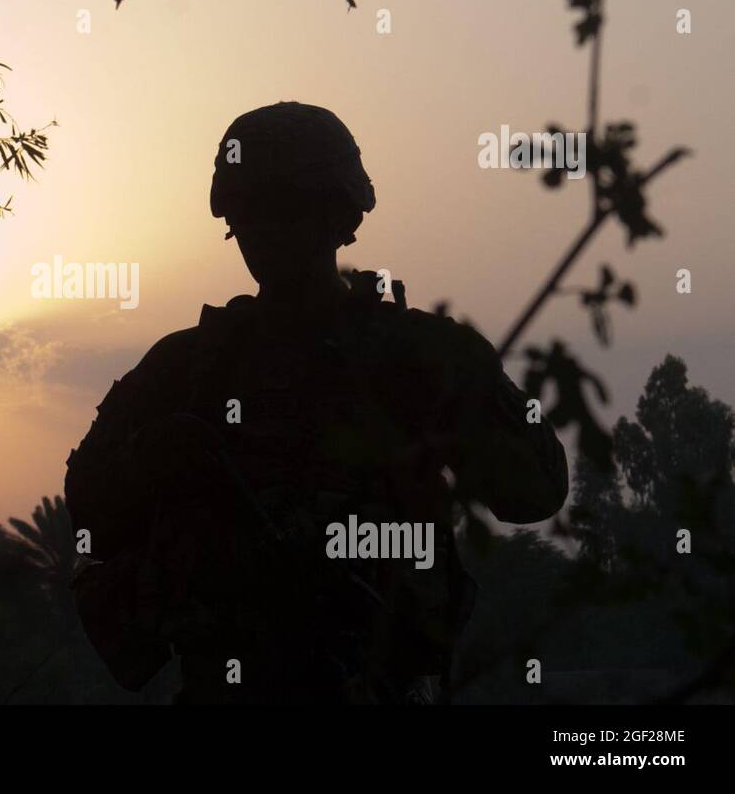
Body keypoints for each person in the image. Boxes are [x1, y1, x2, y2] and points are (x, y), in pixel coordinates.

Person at [64, 102, 568, 703]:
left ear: (340, 218)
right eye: (251, 212)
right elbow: (87, 511)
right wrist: (159, 456)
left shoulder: (417, 353)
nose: (267, 231)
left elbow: (535, 491)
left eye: (288, 209)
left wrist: (451, 406)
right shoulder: (187, 367)